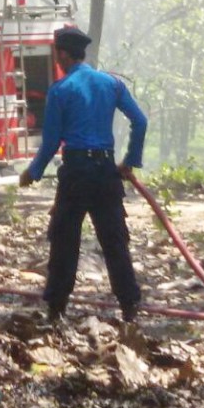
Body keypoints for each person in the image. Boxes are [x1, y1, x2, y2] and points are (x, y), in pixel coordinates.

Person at [18, 26, 147, 324]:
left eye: (57, 55)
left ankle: (56, 310)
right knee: (114, 241)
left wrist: (33, 172)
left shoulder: (61, 90)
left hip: (76, 173)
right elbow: (140, 122)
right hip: (105, 172)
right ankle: (129, 305)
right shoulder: (112, 84)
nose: (57, 60)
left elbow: (52, 142)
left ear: (63, 54)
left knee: (64, 241)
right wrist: (130, 161)